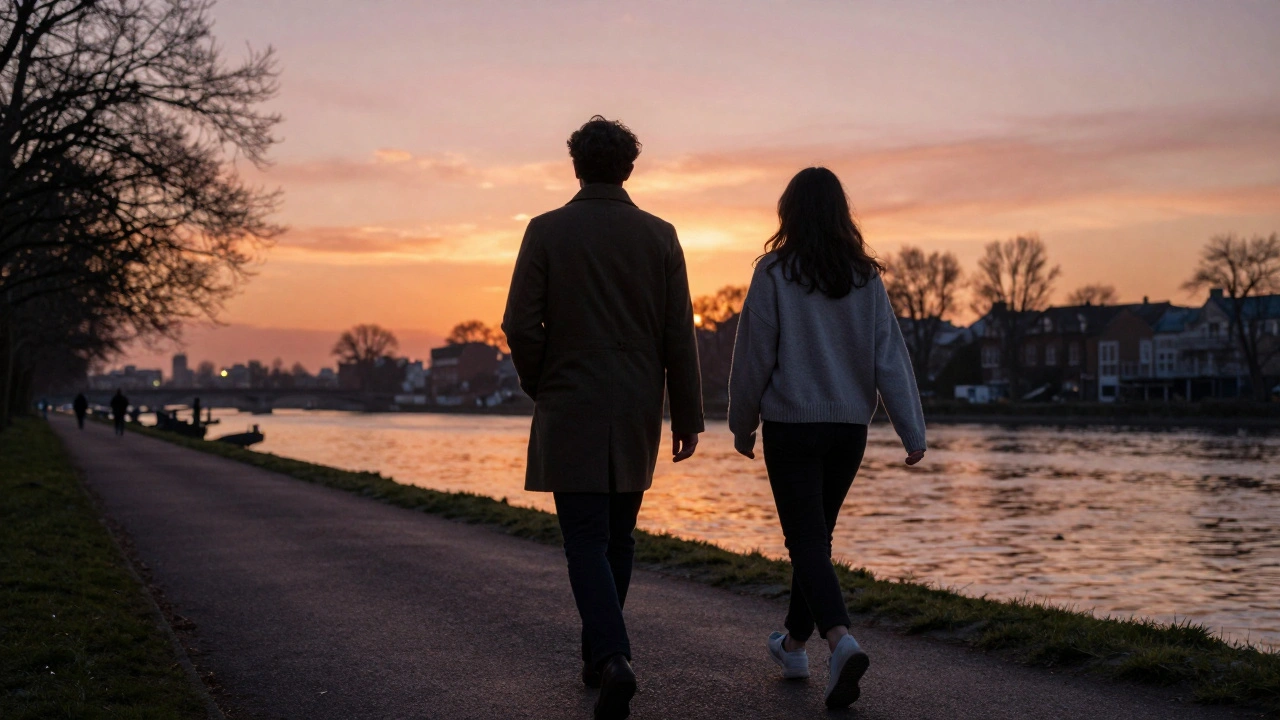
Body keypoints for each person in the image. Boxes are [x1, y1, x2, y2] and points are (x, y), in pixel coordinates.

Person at [503, 115, 703, 720]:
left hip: (570, 402)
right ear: (629, 167)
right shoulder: (660, 235)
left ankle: (613, 657)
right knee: (618, 537)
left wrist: (544, 382)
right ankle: (600, 660)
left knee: (584, 538)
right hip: (638, 403)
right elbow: (678, 334)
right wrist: (688, 414)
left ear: (575, 165)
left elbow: (519, 324)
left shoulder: (545, 231)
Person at [728, 167, 926, 710]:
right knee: (814, 538)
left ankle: (840, 641)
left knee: (807, 541)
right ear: (842, 214)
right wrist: (912, 429)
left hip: (793, 426)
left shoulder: (773, 272)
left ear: (788, 213)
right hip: (847, 430)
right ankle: (793, 646)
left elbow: (753, 356)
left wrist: (741, 422)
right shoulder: (866, 278)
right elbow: (890, 356)